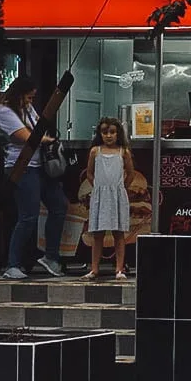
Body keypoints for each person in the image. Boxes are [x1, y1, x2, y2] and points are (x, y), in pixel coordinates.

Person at [0, 76, 68, 280]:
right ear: (18, 94)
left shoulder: (27, 109)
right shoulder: (4, 112)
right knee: (28, 216)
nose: (30, 102)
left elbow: (37, 127)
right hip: (21, 166)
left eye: (33, 98)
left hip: (39, 165)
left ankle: (51, 256)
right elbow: (26, 136)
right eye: (28, 97)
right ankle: (12, 263)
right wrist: (49, 140)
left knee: (59, 205)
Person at [82, 117, 134, 281]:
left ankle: (119, 269)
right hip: (100, 195)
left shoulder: (123, 152)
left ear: (118, 134)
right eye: (105, 132)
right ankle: (94, 269)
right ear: (100, 134)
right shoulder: (95, 151)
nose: (109, 136)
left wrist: (121, 188)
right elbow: (89, 172)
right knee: (98, 234)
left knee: (119, 233)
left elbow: (131, 173)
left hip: (117, 194)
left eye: (112, 132)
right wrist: (97, 186)